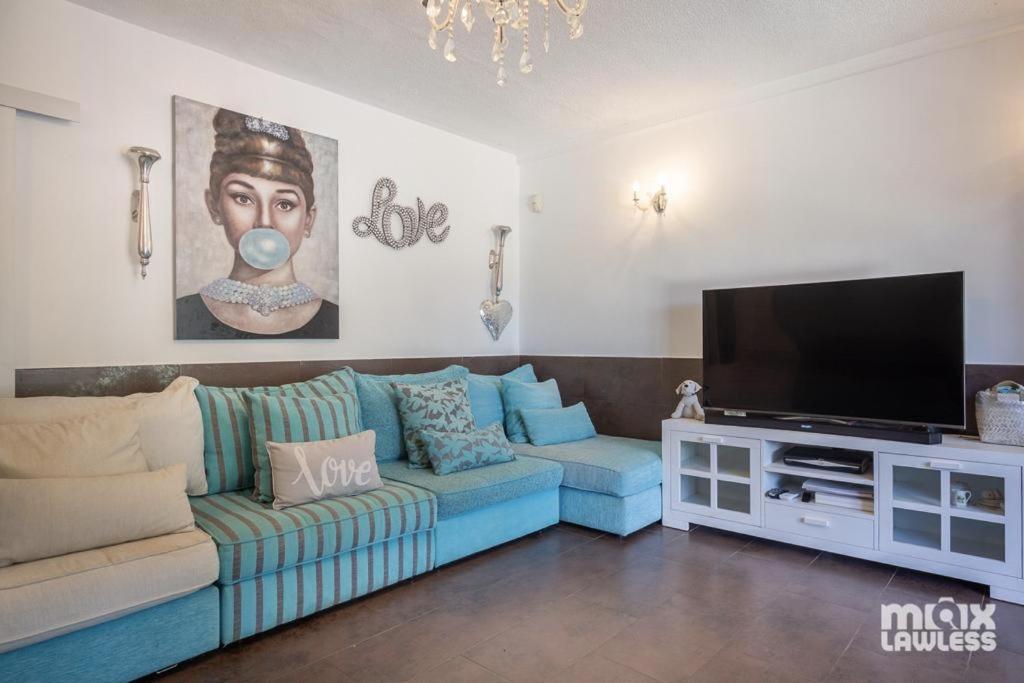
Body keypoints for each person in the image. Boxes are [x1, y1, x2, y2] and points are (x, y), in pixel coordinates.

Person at [175, 108, 338, 339]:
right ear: (214, 206)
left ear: (308, 220)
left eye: (284, 204)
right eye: (243, 198)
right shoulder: (183, 315)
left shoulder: (334, 319)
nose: (264, 221)